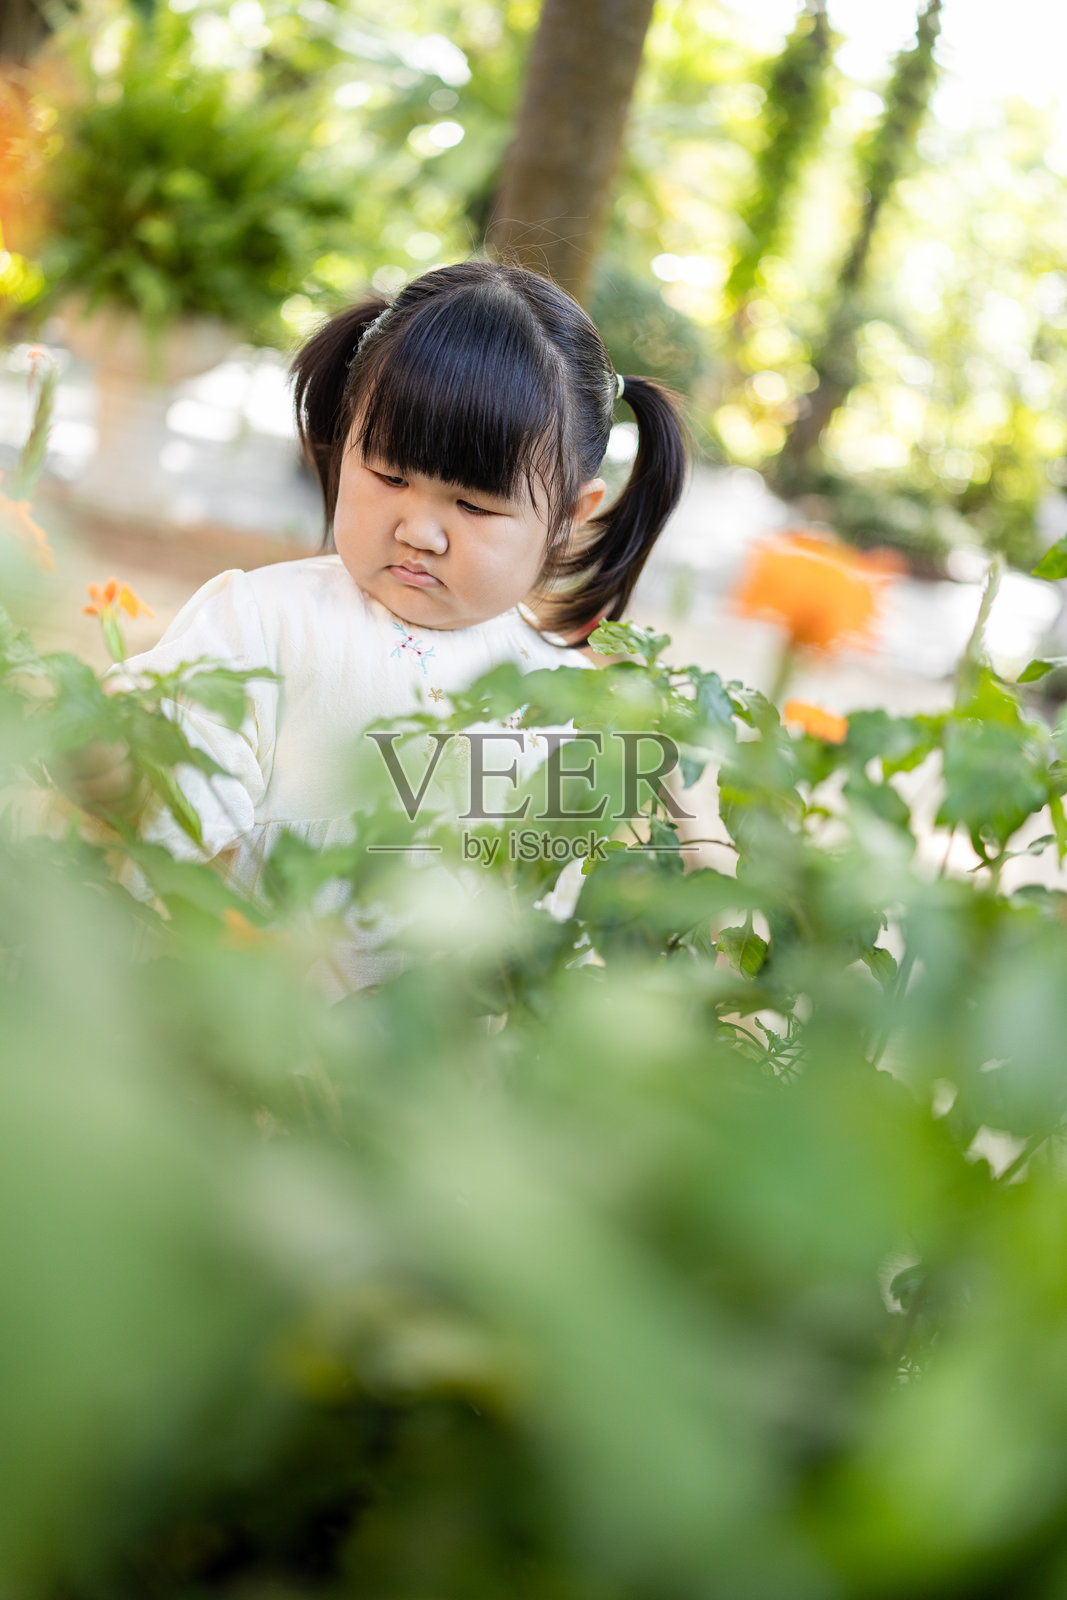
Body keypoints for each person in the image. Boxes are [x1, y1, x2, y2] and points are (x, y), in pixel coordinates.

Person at [65, 259, 689, 990]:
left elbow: (544, 928)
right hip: (225, 1025)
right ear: (343, 441)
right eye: (390, 477)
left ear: (569, 514)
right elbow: (168, 822)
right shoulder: (264, 620)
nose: (420, 530)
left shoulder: (567, 703)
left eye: (475, 506)